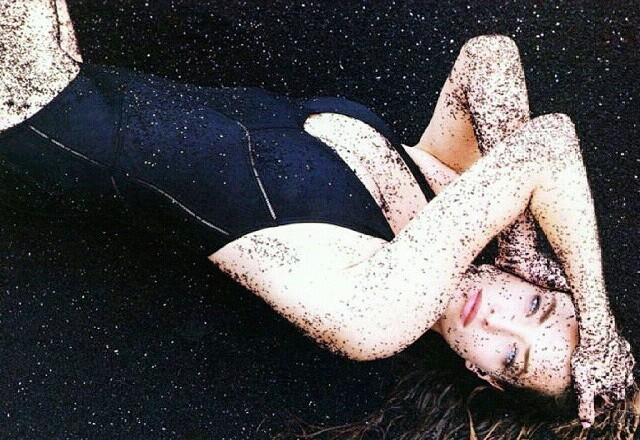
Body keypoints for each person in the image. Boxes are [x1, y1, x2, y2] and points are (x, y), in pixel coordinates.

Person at [0, 0, 635, 430]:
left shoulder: (380, 318)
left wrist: (597, 324)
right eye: (535, 307)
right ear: (547, 279)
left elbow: (548, 144)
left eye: (509, 357)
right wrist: (523, 243)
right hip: (62, 64)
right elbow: (489, 59)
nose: (497, 321)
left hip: (34, 107)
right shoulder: (451, 193)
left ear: (482, 374)